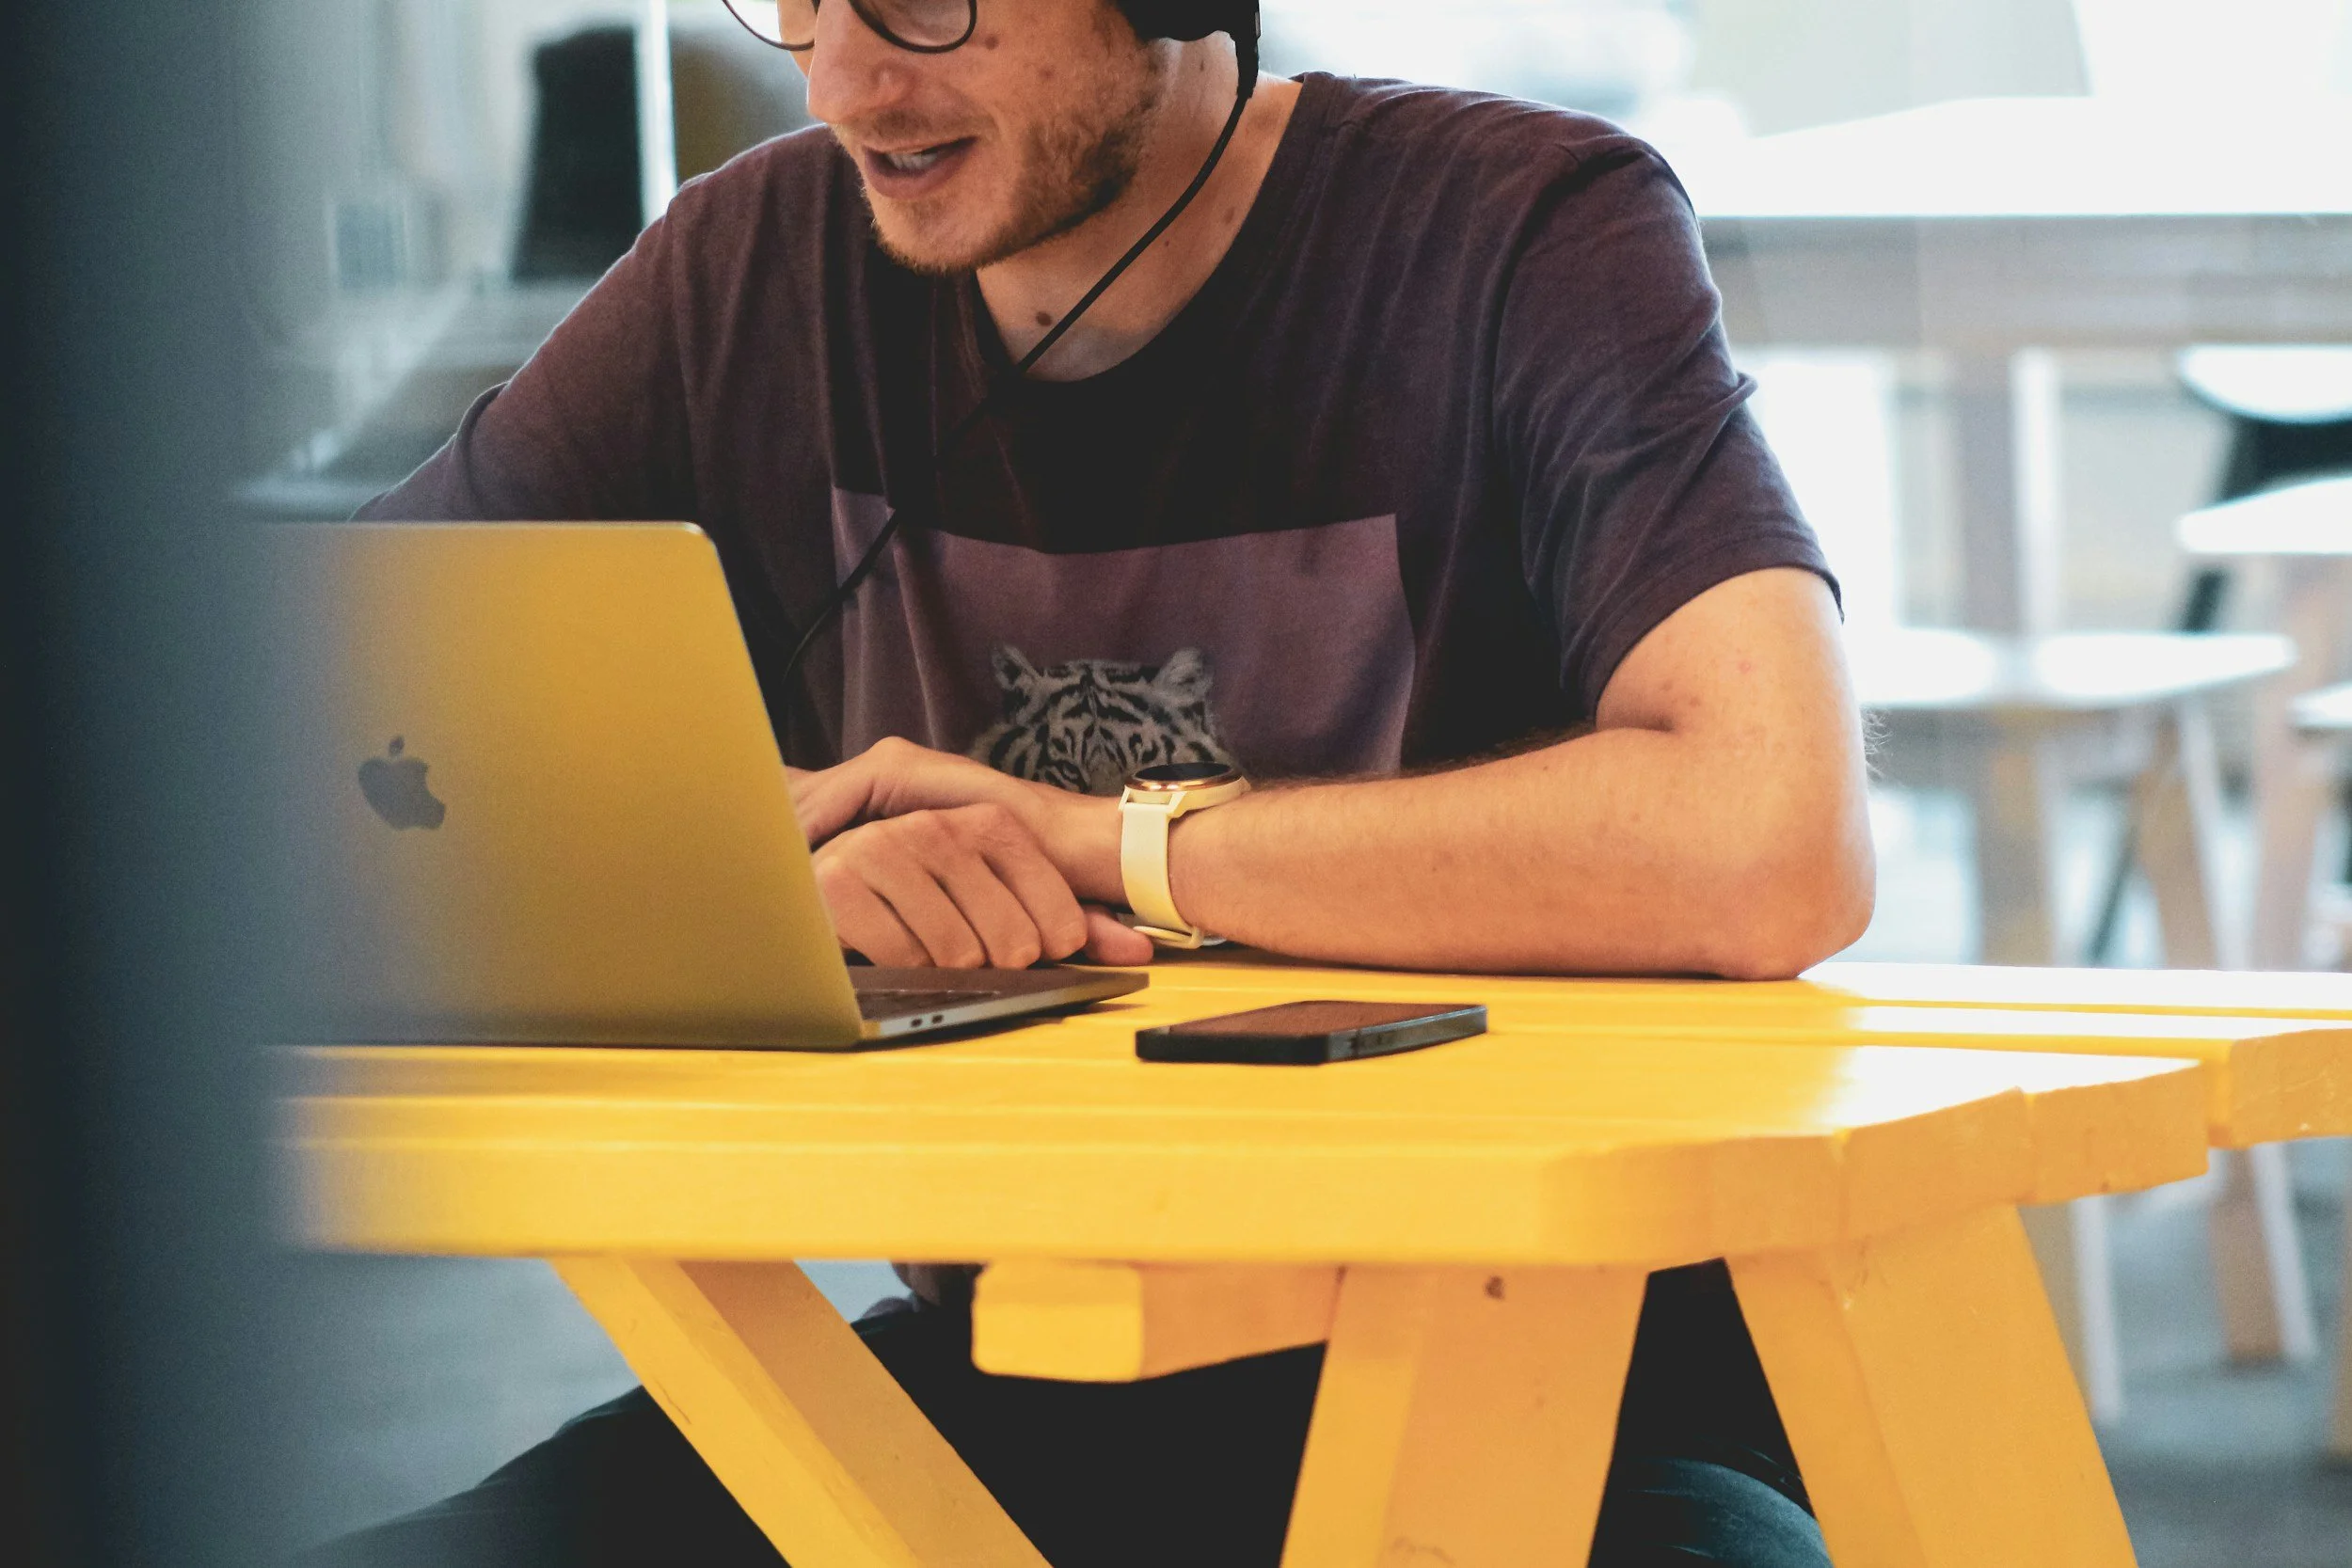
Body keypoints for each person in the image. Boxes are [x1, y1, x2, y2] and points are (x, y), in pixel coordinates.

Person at [317, 0, 1873, 1563]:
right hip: (1017, 1381)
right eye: (797, 0)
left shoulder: (1520, 235)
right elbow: (306, 725)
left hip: (1569, 1394)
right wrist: (753, 851)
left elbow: (1770, 835)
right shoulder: (753, 267)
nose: (847, 78)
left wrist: (1109, 844)